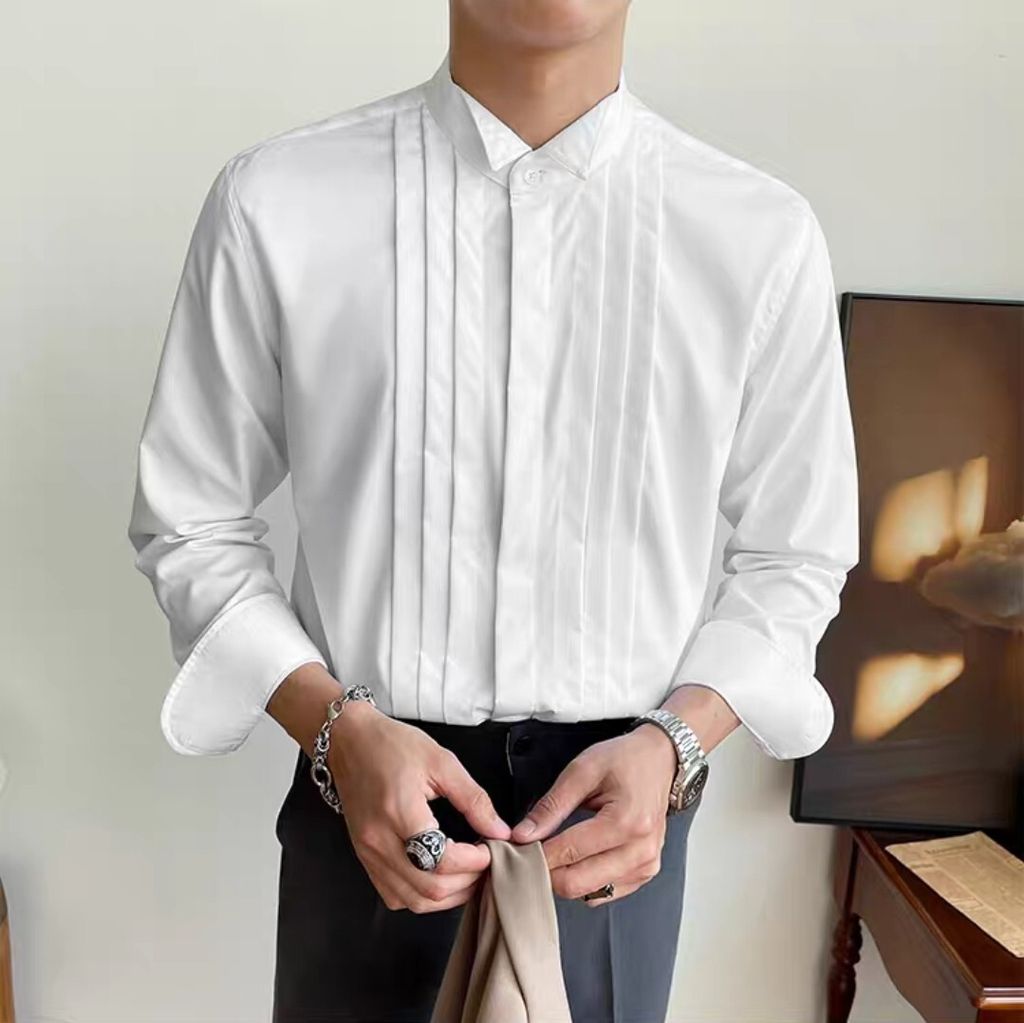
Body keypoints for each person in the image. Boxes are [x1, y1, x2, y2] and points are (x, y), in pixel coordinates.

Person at [126, 1, 859, 1019]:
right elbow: (190, 516)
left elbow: (797, 551)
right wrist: (334, 730)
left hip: (619, 830)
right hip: (361, 806)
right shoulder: (279, 201)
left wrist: (676, 745)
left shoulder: (756, 234)